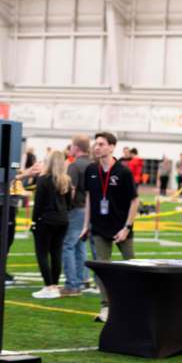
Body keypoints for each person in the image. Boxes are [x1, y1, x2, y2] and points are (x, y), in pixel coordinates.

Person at [80, 132, 139, 323]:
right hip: (99, 228)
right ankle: (106, 307)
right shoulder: (90, 170)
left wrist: (127, 227)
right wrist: (85, 225)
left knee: (133, 266)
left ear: (112, 147)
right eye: (95, 144)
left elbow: (134, 201)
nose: (97, 147)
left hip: (121, 228)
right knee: (102, 270)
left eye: (101, 144)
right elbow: (89, 198)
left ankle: (138, 304)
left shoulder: (123, 172)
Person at [31, 151, 72, 299]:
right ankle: (54, 285)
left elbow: (38, 205)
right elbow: (69, 204)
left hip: (46, 220)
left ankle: (49, 286)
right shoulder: (66, 180)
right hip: (62, 220)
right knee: (56, 253)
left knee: (42, 253)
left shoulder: (43, 179)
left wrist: (34, 221)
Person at [61, 135, 92, 297]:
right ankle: (83, 278)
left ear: (77, 147)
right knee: (81, 245)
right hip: (90, 210)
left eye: (72, 145)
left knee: (68, 245)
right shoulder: (94, 164)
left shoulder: (74, 166)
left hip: (77, 209)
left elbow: (71, 190)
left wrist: (65, 208)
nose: (70, 148)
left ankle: (72, 284)